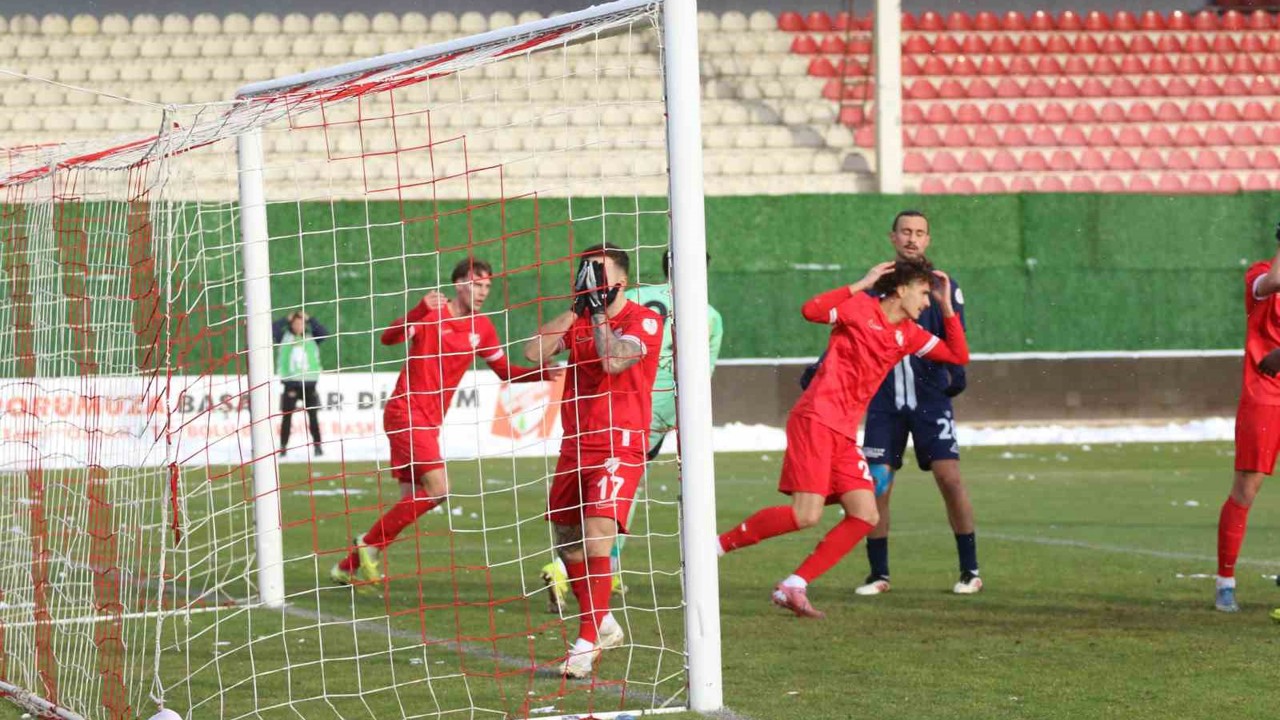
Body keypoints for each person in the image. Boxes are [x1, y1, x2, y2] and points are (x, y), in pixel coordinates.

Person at [717, 259, 969, 619]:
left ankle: (794, 585)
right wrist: (860, 283)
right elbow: (811, 310)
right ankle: (713, 548)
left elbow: (959, 356)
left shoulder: (909, 334)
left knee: (865, 514)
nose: (928, 302)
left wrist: (948, 310)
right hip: (817, 419)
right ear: (901, 289)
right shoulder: (859, 307)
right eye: (925, 293)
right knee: (806, 516)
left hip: (844, 433)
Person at [330, 258, 555, 589]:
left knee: (412, 498)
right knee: (439, 488)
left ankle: (347, 566)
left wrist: (544, 373)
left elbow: (505, 372)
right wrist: (417, 311)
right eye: (476, 285)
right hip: (405, 411)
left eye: (487, 287)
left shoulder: (483, 327)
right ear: (459, 283)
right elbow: (388, 339)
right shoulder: (430, 313)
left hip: (430, 421)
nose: (482, 292)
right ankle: (367, 544)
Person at [540, 249, 724, 610]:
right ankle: (601, 568)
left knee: (614, 495)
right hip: (641, 413)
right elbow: (701, 372)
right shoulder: (710, 316)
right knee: (623, 490)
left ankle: (590, 576)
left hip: (607, 414)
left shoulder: (637, 297)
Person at [523, 243, 663, 677]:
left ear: (619, 281)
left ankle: (585, 643)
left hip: (620, 444)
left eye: (597, 272)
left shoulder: (646, 320)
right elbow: (533, 352)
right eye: (584, 270)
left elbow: (614, 359)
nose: (589, 278)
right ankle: (601, 622)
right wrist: (576, 309)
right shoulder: (580, 318)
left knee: (597, 535)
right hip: (575, 444)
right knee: (567, 540)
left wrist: (599, 313)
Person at [854, 210, 981, 596]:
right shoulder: (874, 289)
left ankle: (970, 570)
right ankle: (879, 575)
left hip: (930, 401)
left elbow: (954, 333)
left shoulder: (943, 285)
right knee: (878, 484)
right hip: (884, 403)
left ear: (928, 240)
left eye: (920, 233)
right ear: (892, 237)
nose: (912, 239)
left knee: (950, 478)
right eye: (906, 232)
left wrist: (955, 377)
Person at [1216, 222, 1280, 615]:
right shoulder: (1258, 273)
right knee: (1246, 489)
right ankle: (1226, 581)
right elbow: (1274, 281)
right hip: (1265, 395)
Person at [274, 310, 330, 457]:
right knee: (287, 417)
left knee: (313, 416)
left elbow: (324, 333)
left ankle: (317, 447)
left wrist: (310, 318)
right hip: (290, 383)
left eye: (301, 323)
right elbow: (272, 329)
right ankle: (283, 447)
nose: (299, 326)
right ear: (291, 325)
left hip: (309, 383)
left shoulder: (312, 337)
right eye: (296, 323)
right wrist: (286, 319)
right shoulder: (284, 337)